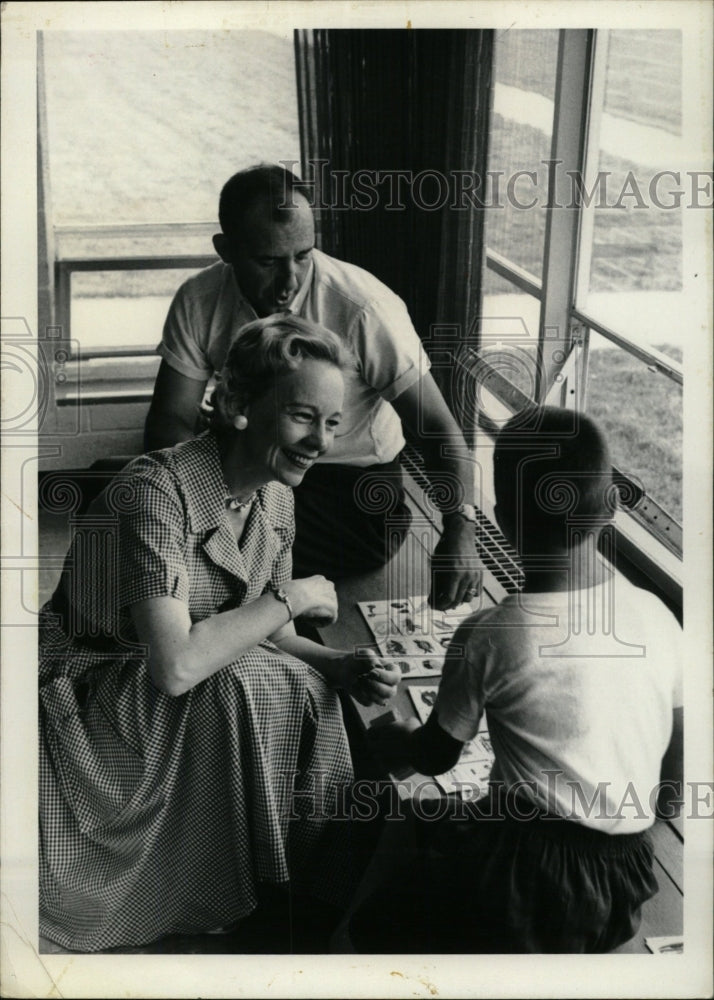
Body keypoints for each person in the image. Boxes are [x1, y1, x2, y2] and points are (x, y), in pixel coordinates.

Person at [39, 315, 401, 953]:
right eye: (301, 416)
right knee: (251, 685)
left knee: (309, 686)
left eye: (333, 422)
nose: (320, 440)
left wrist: (333, 662)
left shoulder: (274, 496)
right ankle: (293, 880)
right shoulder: (156, 493)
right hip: (87, 698)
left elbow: (252, 627)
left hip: (169, 683)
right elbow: (176, 665)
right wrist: (292, 596)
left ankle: (318, 868)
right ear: (236, 406)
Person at [348, 406, 683, 954]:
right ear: (613, 507)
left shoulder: (491, 632)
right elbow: (676, 776)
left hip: (521, 876)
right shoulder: (657, 616)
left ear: (502, 521)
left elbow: (434, 759)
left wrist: (396, 736)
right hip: (626, 881)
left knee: (378, 924)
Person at [144, 163, 480, 609]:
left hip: (347, 487)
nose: (289, 281)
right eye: (268, 262)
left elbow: (436, 426)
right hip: (242, 463)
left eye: (303, 255)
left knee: (212, 554)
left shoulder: (364, 307)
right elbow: (171, 420)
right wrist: (181, 503)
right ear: (226, 249)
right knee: (130, 510)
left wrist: (461, 528)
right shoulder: (198, 298)